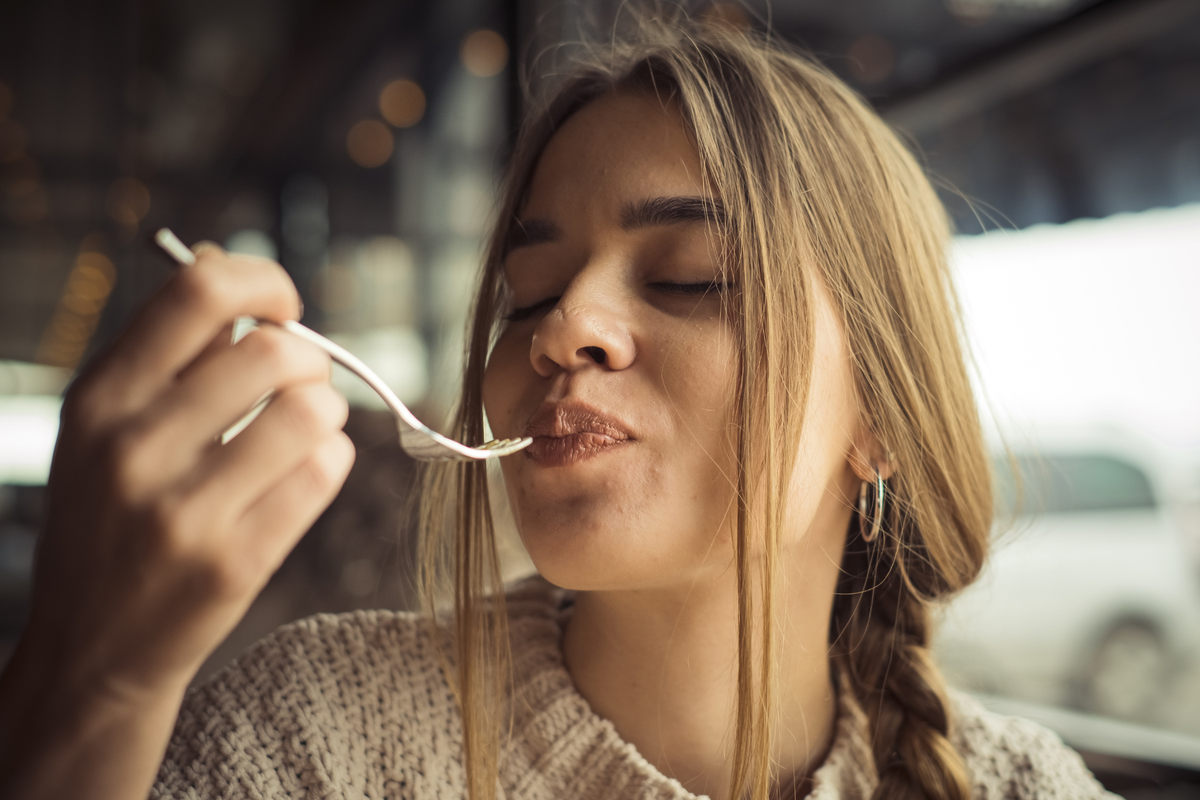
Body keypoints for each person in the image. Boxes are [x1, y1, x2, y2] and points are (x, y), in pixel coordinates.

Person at [0, 15, 1113, 800]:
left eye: (688, 276)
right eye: (528, 292)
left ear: (880, 417)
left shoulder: (1026, 785)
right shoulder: (315, 733)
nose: (560, 322)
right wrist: (90, 682)